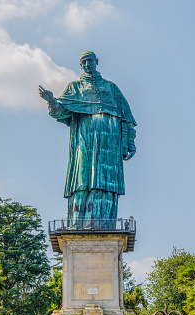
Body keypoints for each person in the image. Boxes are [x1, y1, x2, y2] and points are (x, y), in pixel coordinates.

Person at [38, 51, 136, 228]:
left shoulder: (111, 88)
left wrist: (129, 142)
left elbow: (127, 118)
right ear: (80, 65)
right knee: (82, 178)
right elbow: (59, 111)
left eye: (90, 60)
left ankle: (103, 222)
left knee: (105, 181)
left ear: (97, 61)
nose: (87, 64)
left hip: (109, 144)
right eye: (84, 61)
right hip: (84, 140)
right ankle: (78, 222)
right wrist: (51, 101)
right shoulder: (74, 88)